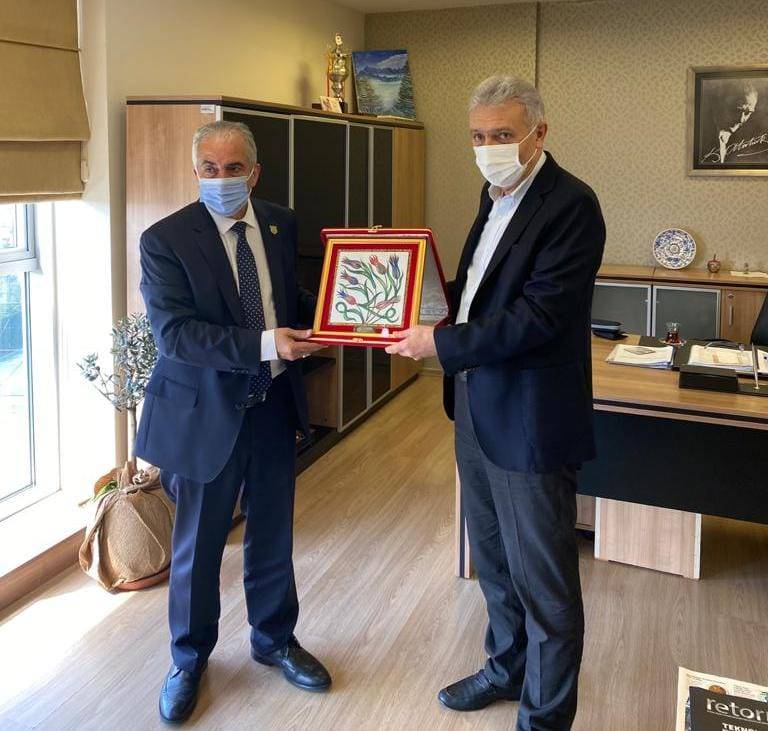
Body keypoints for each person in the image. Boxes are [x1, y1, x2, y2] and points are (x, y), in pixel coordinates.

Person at [387, 76, 606, 730]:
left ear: (539, 133)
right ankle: (506, 667)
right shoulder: (493, 198)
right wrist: (410, 292)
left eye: (503, 135)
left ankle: (544, 718)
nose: (488, 148)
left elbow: (538, 316)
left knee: (546, 584)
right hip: (475, 410)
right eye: (478, 136)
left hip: (530, 421)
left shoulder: (571, 205)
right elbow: (483, 290)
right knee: (494, 561)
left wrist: (440, 342)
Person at [135, 121, 330, 724]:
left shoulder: (278, 223)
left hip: (272, 404)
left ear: (255, 172)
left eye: (234, 168)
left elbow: (286, 300)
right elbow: (175, 334)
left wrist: (345, 313)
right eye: (209, 169)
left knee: (272, 534)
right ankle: (188, 659)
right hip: (204, 415)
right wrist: (268, 343)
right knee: (198, 546)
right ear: (196, 172)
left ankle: (274, 640)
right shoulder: (164, 239)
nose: (221, 179)